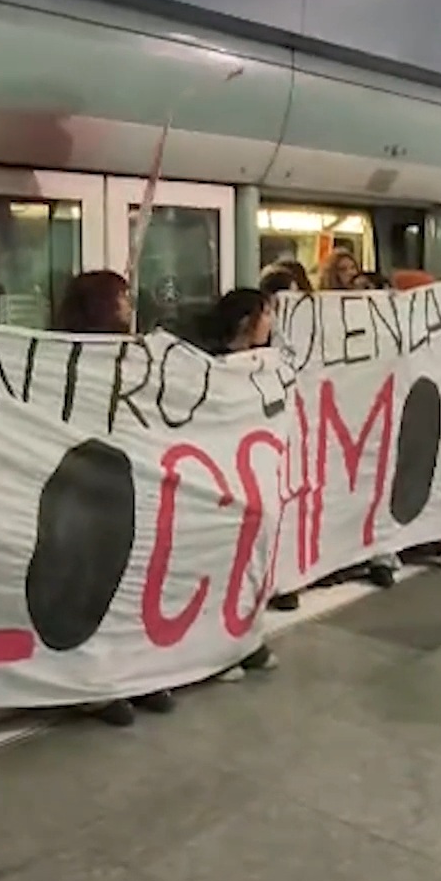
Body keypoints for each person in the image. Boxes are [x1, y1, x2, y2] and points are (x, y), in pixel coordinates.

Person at [51, 271, 177, 725]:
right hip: (85, 480)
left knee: (132, 576)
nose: (128, 303)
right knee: (91, 580)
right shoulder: (61, 354)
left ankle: (135, 672)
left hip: (130, 477)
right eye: (120, 296)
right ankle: (91, 685)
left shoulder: (136, 352)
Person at [199, 288, 283, 682]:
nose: (271, 323)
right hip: (220, 481)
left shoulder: (267, 364)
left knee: (251, 565)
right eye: (266, 314)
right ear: (246, 320)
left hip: (253, 478)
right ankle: (215, 648)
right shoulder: (210, 365)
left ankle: (246, 639)